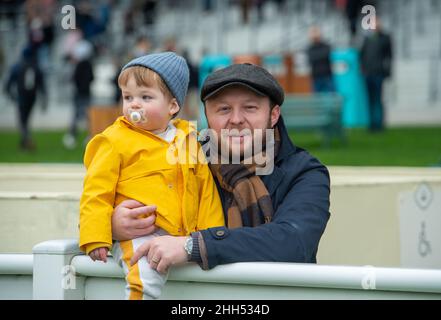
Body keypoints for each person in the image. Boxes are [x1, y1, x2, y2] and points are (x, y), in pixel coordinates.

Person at [112, 62, 331, 274]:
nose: (236, 120)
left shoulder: (304, 172)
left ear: (273, 115)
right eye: (224, 109)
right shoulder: (183, 161)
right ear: (207, 116)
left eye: (250, 108)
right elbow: (146, 212)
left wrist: (194, 246)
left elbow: (293, 243)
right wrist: (115, 226)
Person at [79, 52, 224, 300]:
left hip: (182, 236)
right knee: (144, 276)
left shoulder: (187, 140)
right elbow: (96, 192)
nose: (134, 104)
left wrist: (213, 236)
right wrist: (96, 235)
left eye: (146, 97)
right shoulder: (114, 140)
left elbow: (205, 192)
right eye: (128, 97)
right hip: (137, 233)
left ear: (173, 106)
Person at [4, 46, 47, 151]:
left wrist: (11, 96)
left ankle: (27, 140)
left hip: (22, 96)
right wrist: (44, 98)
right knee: (25, 119)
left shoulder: (18, 66)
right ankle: (24, 141)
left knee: (22, 120)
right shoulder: (36, 66)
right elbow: (42, 85)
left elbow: (8, 84)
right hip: (32, 97)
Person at [360, 17, 392, 132]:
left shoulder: (385, 38)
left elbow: (389, 56)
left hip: (379, 73)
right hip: (368, 74)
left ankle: (379, 124)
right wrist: (363, 70)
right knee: (369, 100)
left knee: (378, 100)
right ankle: (371, 124)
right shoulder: (367, 39)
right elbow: (362, 55)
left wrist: (387, 72)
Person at [63, 39, 94, 149]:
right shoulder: (88, 65)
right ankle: (85, 135)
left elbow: (75, 79)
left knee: (78, 115)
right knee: (85, 115)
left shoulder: (80, 65)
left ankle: (74, 135)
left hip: (80, 93)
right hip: (85, 93)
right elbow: (91, 78)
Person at [306, 26, 335, 93]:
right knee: (317, 99)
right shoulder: (310, 48)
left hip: (327, 76)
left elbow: (326, 54)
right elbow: (311, 58)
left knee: (332, 96)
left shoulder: (326, 46)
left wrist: (317, 56)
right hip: (316, 77)